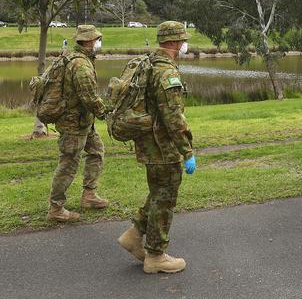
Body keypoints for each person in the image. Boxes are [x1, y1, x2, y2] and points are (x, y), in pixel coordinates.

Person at [117, 21, 196, 274]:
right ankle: (156, 255)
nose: (185, 45)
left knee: (158, 192)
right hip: (162, 146)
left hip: (150, 143)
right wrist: (187, 152)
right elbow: (173, 118)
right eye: (183, 40)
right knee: (165, 197)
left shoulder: (151, 63)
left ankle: (133, 235)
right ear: (173, 43)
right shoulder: (166, 73)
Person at [47, 25, 109, 222]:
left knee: (96, 151)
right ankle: (55, 208)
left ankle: (89, 195)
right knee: (68, 163)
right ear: (89, 41)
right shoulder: (80, 64)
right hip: (73, 123)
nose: (99, 42)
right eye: (97, 39)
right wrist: (106, 114)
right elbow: (89, 97)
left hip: (83, 121)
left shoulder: (77, 58)